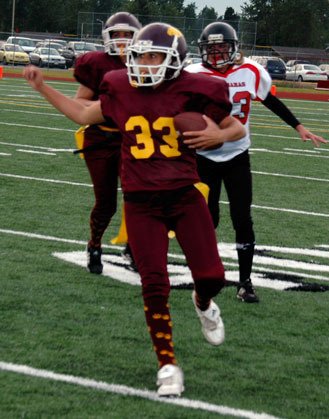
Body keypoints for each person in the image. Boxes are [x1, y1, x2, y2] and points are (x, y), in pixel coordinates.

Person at [23, 22, 246, 397]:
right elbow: (82, 115)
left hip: (185, 196)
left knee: (212, 276)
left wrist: (220, 136)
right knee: (153, 284)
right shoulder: (120, 87)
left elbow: (235, 127)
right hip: (141, 202)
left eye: (154, 56)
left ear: (175, 60)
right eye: (140, 56)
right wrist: (43, 87)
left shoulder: (199, 88)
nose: (145, 63)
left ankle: (203, 302)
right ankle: (167, 365)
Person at [185, 22, 328, 303]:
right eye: (211, 48)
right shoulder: (192, 74)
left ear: (233, 48)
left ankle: (245, 281)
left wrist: (298, 126)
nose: (216, 53)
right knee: (206, 218)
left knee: (242, 218)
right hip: (202, 156)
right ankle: (206, 273)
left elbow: (270, 100)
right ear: (203, 50)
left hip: (237, 154)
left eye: (221, 47)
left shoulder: (251, 70)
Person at [73, 12, 141, 274]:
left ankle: (134, 248)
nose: (122, 40)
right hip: (100, 138)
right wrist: (109, 107)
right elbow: (80, 103)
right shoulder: (98, 63)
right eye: (117, 34)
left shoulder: (145, 61)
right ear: (107, 38)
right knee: (106, 202)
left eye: (127, 34)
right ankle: (95, 244)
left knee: (137, 198)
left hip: (133, 139)